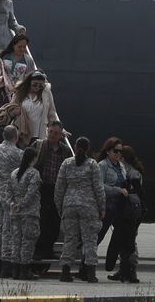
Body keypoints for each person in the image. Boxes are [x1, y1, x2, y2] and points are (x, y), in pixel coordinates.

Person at [55, 136, 105, 283]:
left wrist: (60, 207)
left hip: (69, 205)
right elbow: (99, 188)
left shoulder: (67, 163)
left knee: (70, 240)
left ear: (75, 147)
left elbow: (59, 188)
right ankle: (90, 274)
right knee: (89, 240)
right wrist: (102, 207)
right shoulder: (92, 164)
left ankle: (65, 272)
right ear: (88, 148)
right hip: (88, 207)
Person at [33, 120, 72, 260]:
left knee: (55, 222)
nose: (52, 135)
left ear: (61, 135)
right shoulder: (38, 146)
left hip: (57, 190)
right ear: (47, 131)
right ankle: (37, 250)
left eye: (56, 133)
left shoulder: (65, 151)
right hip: (42, 188)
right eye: (50, 132)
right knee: (41, 220)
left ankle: (49, 249)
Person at [107, 145, 145, 283]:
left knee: (129, 242)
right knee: (126, 241)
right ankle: (125, 270)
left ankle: (130, 271)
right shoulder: (134, 172)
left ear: (124, 158)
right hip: (132, 211)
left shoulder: (129, 173)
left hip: (128, 212)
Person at [0, 125, 22, 279]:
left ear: (3, 135)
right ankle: (6, 265)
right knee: (8, 231)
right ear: (16, 136)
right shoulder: (18, 153)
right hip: (10, 196)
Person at [97, 137, 138, 255]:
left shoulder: (121, 166)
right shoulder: (102, 165)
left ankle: (125, 268)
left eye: (121, 151)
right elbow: (99, 186)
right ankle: (85, 266)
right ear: (108, 151)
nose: (119, 154)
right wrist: (117, 190)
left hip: (120, 208)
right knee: (97, 237)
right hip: (106, 207)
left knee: (124, 239)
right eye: (116, 151)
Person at [9, 145, 41, 280]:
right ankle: (25, 270)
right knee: (28, 241)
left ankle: (15, 271)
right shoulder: (34, 173)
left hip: (15, 213)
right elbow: (31, 193)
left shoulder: (14, 173)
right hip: (29, 213)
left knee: (16, 241)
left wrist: (13, 205)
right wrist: (22, 205)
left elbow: (8, 192)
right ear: (33, 159)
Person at [10, 70, 58, 147]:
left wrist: (58, 129)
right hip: (21, 131)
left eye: (40, 86)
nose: (37, 87)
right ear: (29, 82)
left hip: (37, 134)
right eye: (35, 85)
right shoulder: (20, 92)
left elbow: (52, 112)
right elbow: (11, 108)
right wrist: (15, 112)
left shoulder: (46, 93)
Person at [0, 34, 36, 102]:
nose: (22, 49)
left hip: (17, 92)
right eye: (19, 47)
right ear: (13, 45)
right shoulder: (2, 55)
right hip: (0, 89)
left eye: (24, 47)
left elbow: (31, 75)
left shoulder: (28, 60)